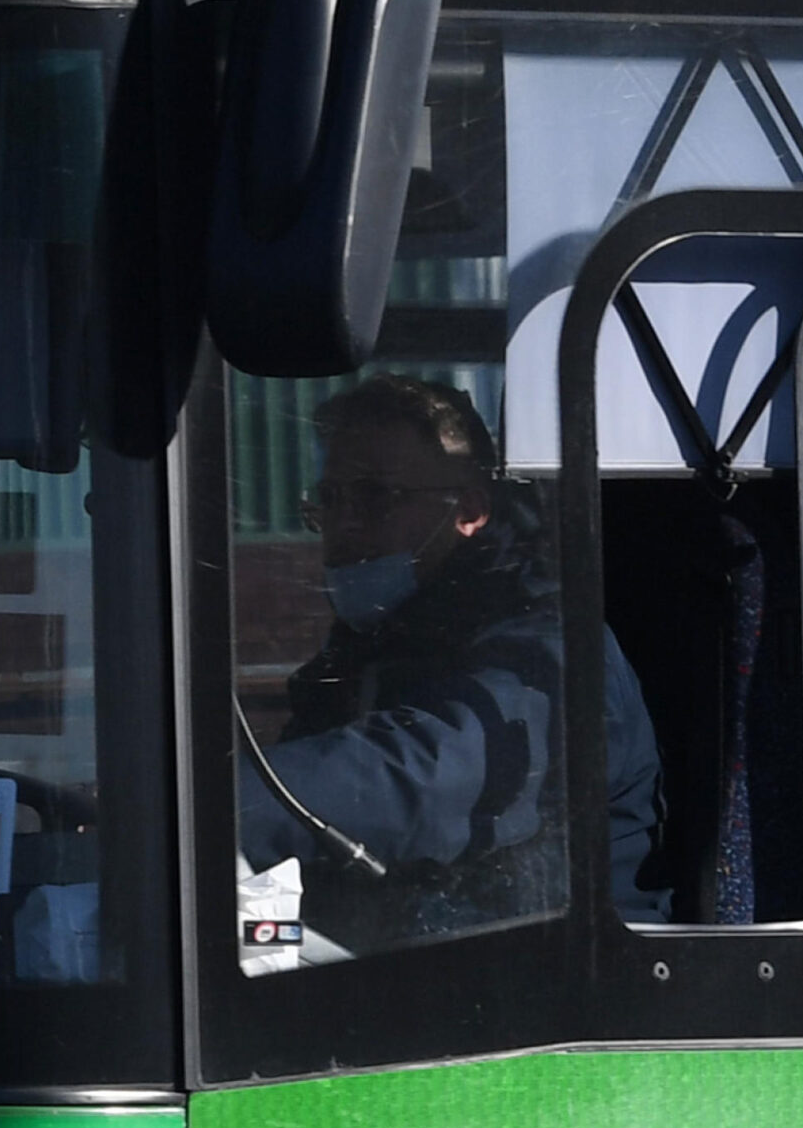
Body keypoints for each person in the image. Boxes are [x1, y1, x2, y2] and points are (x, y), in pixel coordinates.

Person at [239, 375, 668, 954]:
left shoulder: (542, 643)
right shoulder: (377, 643)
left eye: (374, 496)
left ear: (468, 510)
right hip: (418, 960)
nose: (344, 523)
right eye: (332, 498)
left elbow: (423, 776)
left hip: (564, 980)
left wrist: (203, 808)